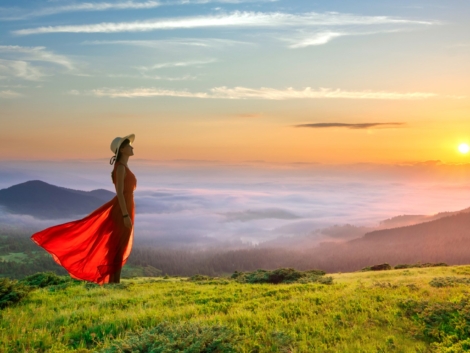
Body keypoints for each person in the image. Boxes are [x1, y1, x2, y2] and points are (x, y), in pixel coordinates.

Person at [31, 134, 137, 284]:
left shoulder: (123, 166)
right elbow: (119, 193)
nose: (132, 147)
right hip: (122, 210)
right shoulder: (120, 168)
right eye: (129, 145)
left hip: (125, 208)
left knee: (118, 245)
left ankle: (114, 281)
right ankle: (114, 282)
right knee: (118, 246)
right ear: (123, 150)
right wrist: (125, 215)